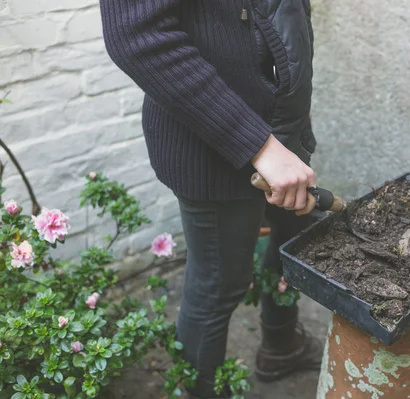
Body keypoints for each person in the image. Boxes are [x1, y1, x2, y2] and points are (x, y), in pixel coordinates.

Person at [98, 0, 323, 398]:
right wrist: (260, 146)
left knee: (292, 244)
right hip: (213, 142)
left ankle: (281, 346)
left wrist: (294, 104)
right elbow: (138, 36)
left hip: (283, 129)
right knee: (218, 286)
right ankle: (198, 391)